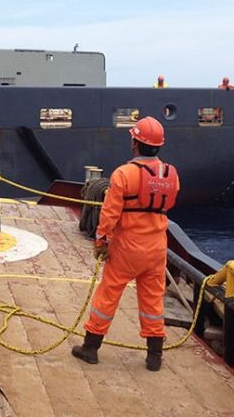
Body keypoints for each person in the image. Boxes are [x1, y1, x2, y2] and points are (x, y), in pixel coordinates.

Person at [72, 116, 180, 371]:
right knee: (153, 301)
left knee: (108, 295)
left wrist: (101, 241)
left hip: (127, 247)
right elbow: (170, 203)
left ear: (135, 143)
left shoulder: (123, 174)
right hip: (156, 248)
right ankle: (155, 356)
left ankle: (90, 348)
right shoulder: (170, 174)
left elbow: (109, 214)